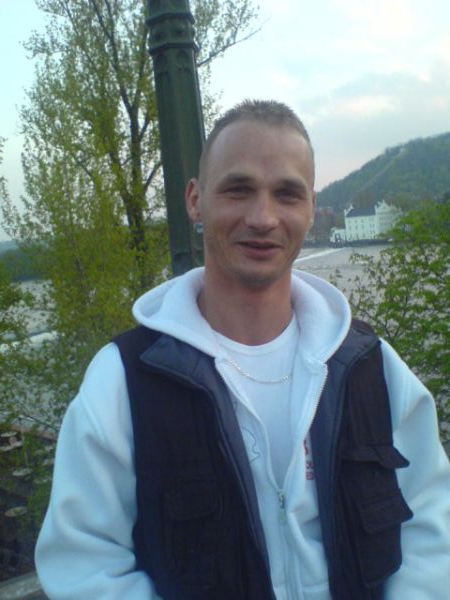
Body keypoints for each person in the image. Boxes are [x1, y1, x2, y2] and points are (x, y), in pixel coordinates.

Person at [35, 100, 450, 599]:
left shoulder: (369, 366)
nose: (263, 217)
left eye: (287, 194)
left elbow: (433, 524)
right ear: (195, 200)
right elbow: (84, 564)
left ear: (311, 208)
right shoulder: (125, 380)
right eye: (238, 189)